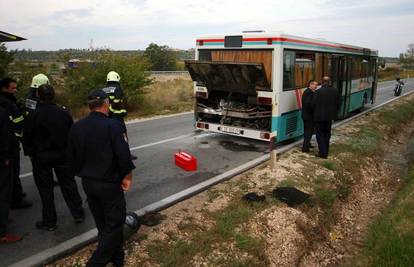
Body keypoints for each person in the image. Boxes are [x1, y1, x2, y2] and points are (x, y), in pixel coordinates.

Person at [67, 90, 135, 267]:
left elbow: (71, 157)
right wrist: (127, 175)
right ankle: (96, 263)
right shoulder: (114, 125)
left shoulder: (77, 127)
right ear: (106, 104)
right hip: (109, 184)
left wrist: (83, 171)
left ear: (90, 105)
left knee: (103, 224)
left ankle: (117, 258)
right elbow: (124, 155)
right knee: (115, 224)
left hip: (88, 183)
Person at [23, 85, 84, 231]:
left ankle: (50, 222)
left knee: (46, 190)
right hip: (62, 155)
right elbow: (72, 132)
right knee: (69, 184)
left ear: (38, 95)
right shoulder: (63, 112)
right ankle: (78, 213)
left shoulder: (34, 114)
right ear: (53, 95)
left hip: (41, 157)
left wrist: (30, 153)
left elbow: (27, 137)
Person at [0, 78, 32, 209]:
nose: (15, 90)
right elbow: (18, 122)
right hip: (10, 145)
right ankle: (15, 199)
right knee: (12, 173)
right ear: (4, 88)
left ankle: (15, 195)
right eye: (12, 88)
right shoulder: (8, 103)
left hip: (9, 142)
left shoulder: (8, 101)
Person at [102, 71, 137, 160]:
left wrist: (107, 113)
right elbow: (116, 103)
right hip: (116, 116)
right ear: (117, 78)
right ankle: (126, 154)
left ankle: (111, 154)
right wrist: (116, 111)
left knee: (109, 136)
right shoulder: (118, 88)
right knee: (123, 135)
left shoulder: (103, 89)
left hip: (105, 116)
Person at [0, 105, 23, 243]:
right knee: (3, 193)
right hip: (2, 160)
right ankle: (2, 233)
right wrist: (7, 156)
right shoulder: (2, 112)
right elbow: (6, 136)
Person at [312, 76, 341, 159]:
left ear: (322, 82)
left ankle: (322, 152)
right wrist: (334, 113)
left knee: (320, 134)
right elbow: (339, 103)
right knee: (327, 134)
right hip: (329, 117)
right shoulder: (335, 91)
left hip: (319, 117)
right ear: (329, 82)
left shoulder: (318, 92)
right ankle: (326, 151)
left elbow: (313, 104)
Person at [301, 80, 318, 152]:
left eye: (316, 85)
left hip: (307, 115)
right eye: (314, 85)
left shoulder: (309, 92)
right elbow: (308, 104)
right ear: (310, 85)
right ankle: (305, 148)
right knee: (309, 131)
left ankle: (308, 144)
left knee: (308, 131)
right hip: (308, 116)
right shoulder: (309, 92)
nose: (316, 86)